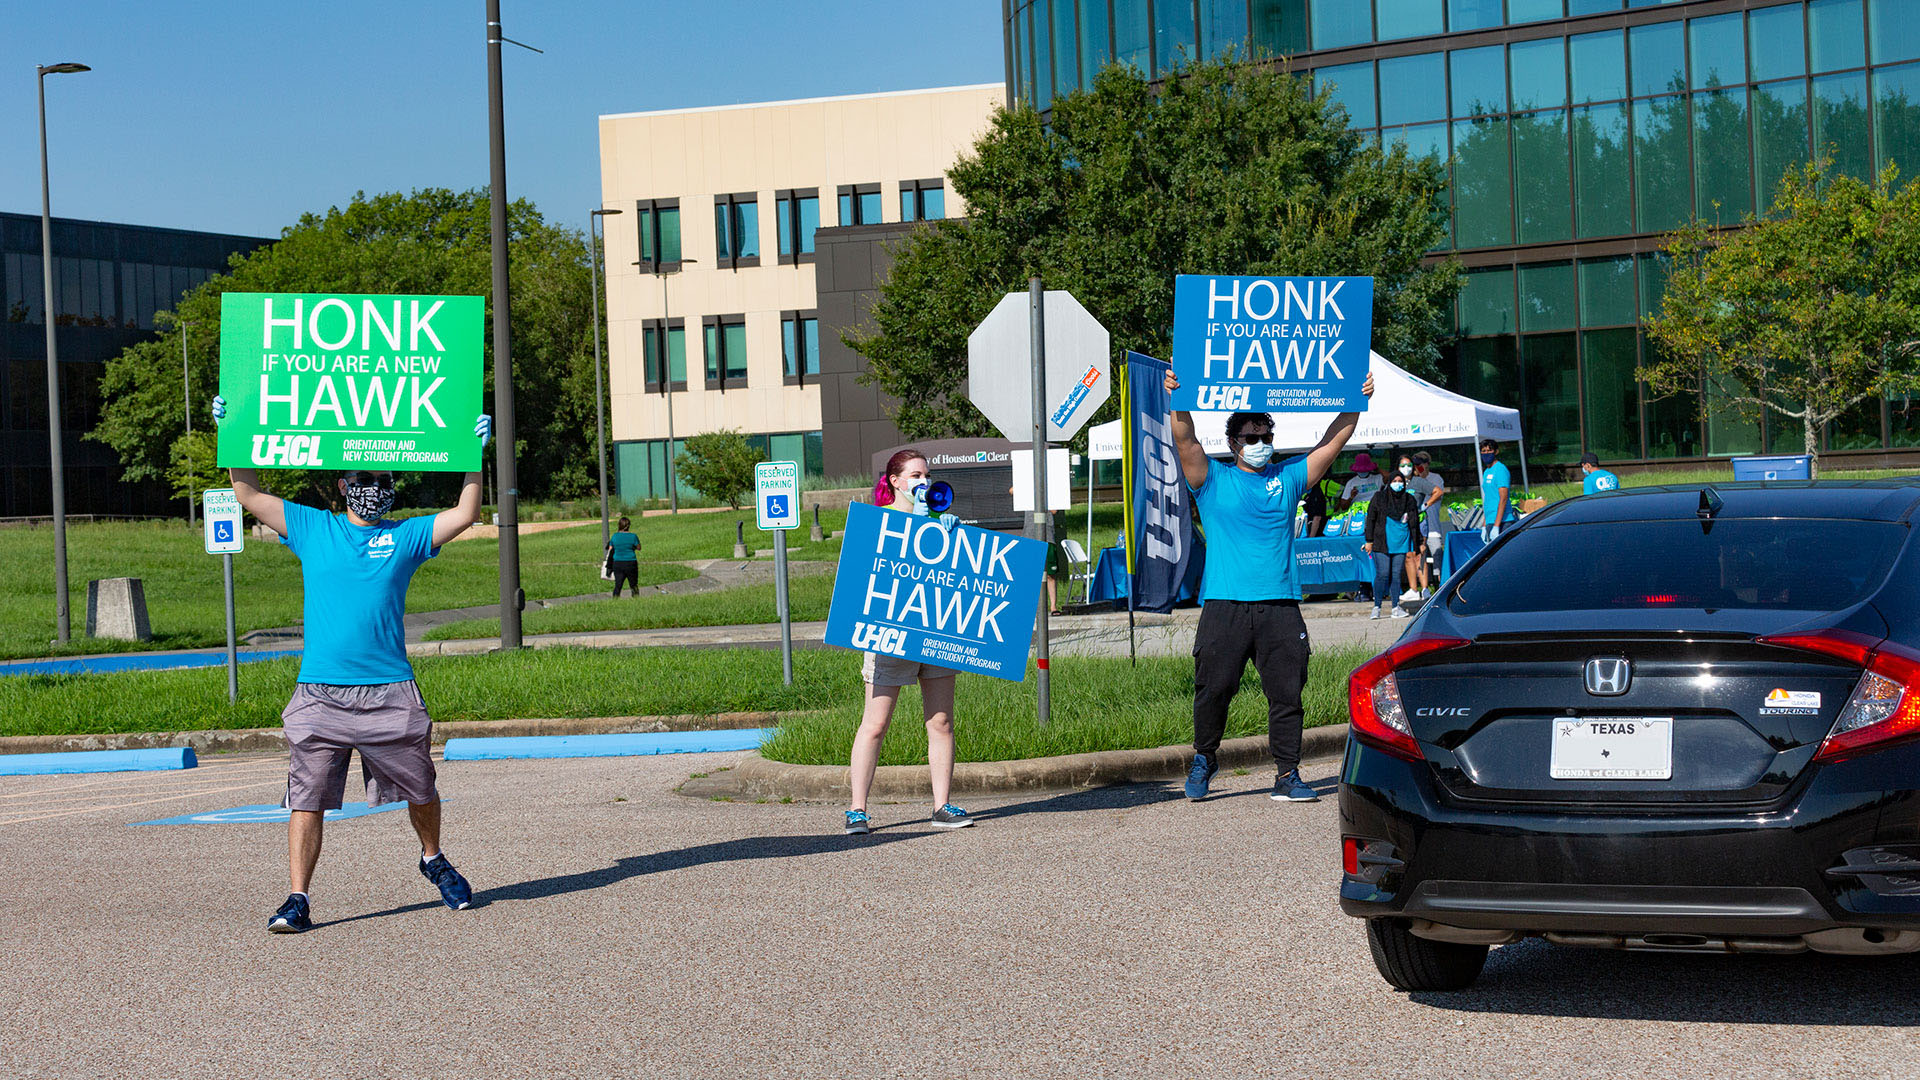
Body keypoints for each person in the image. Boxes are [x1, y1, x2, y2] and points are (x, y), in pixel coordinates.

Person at [211, 394, 489, 935]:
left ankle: (432, 857)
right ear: (343, 485)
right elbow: (247, 492)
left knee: (422, 788)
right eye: (365, 477)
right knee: (306, 797)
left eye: (385, 479)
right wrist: (235, 433)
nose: (375, 488)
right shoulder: (313, 528)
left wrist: (472, 452)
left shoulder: (404, 536)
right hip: (319, 694)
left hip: (390, 691)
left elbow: (466, 513)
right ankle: (297, 898)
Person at [1164, 366, 1375, 803]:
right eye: (1250, 438)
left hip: (1280, 606)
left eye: (1265, 436)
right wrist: (1176, 398)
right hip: (1225, 604)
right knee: (1214, 689)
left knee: (1286, 693)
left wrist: (1357, 398)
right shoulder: (1211, 480)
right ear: (1233, 444)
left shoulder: (1289, 478)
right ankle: (1204, 758)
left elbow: (1334, 441)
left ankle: (1287, 774)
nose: (1259, 445)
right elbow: (1185, 440)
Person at [845, 449, 971, 836]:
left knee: (941, 721)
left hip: (933, 631)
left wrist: (951, 535)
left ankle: (941, 806)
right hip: (890, 636)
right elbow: (869, 573)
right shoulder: (878, 522)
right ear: (895, 481)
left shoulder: (939, 521)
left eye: (927, 476)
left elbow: (956, 577)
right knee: (876, 723)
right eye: (915, 476)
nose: (923, 483)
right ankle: (857, 810)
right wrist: (915, 524)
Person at [1364, 469, 1421, 620]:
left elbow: (1415, 523)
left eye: (1400, 481)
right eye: (1394, 481)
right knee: (1382, 574)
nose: (1397, 484)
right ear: (1389, 483)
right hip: (1381, 542)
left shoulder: (1409, 499)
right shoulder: (1379, 497)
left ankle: (1396, 607)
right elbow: (1370, 519)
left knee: (1396, 575)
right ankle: (1377, 607)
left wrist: (1418, 544)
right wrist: (1369, 540)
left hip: (1401, 542)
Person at [1403, 452, 1444, 599]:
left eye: (1421, 463)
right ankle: (1417, 589)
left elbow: (1438, 492)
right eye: (1416, 463)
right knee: (1415, 555)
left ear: (1427, 463)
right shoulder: (1411, 481)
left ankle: (1437, 590)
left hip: (1430, 525)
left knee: (1435, 560)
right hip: (1415, 524)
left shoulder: (1433, 478)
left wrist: (1426, 504)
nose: (1418, 466)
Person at [1478, 438, 1517, 541]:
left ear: (1496, 451)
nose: (1486, 453)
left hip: (1503, 521)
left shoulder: (1500, 469)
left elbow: (1503, 498)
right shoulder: (1486, 472)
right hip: (1490, 520)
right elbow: (1489, 499)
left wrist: (1496, 526)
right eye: (1483, 451)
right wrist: (1484, 525)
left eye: (1489, 450)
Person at [606, 516, 641, 597]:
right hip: (631, 562)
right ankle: (636, 600)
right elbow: (639, 548)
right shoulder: (633, 536)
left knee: (618, 585)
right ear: (628, 526)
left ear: (619, 525)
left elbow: (611, 548)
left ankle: (615, 600)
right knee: (633, 584)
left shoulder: (615, 536)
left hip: (618, 563)